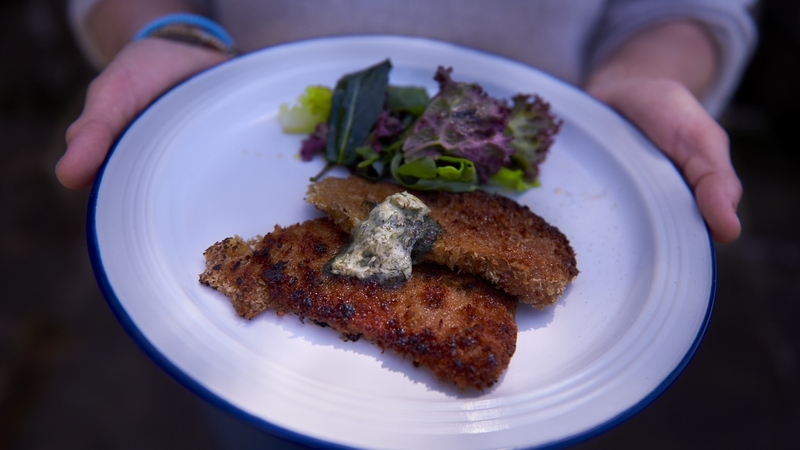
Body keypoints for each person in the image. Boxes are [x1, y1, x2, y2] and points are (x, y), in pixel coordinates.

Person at [57, 0, 756, 244]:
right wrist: (176, 34)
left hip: (545, 165)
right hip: (232, 125)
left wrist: (643, 75)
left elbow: (690, 6)